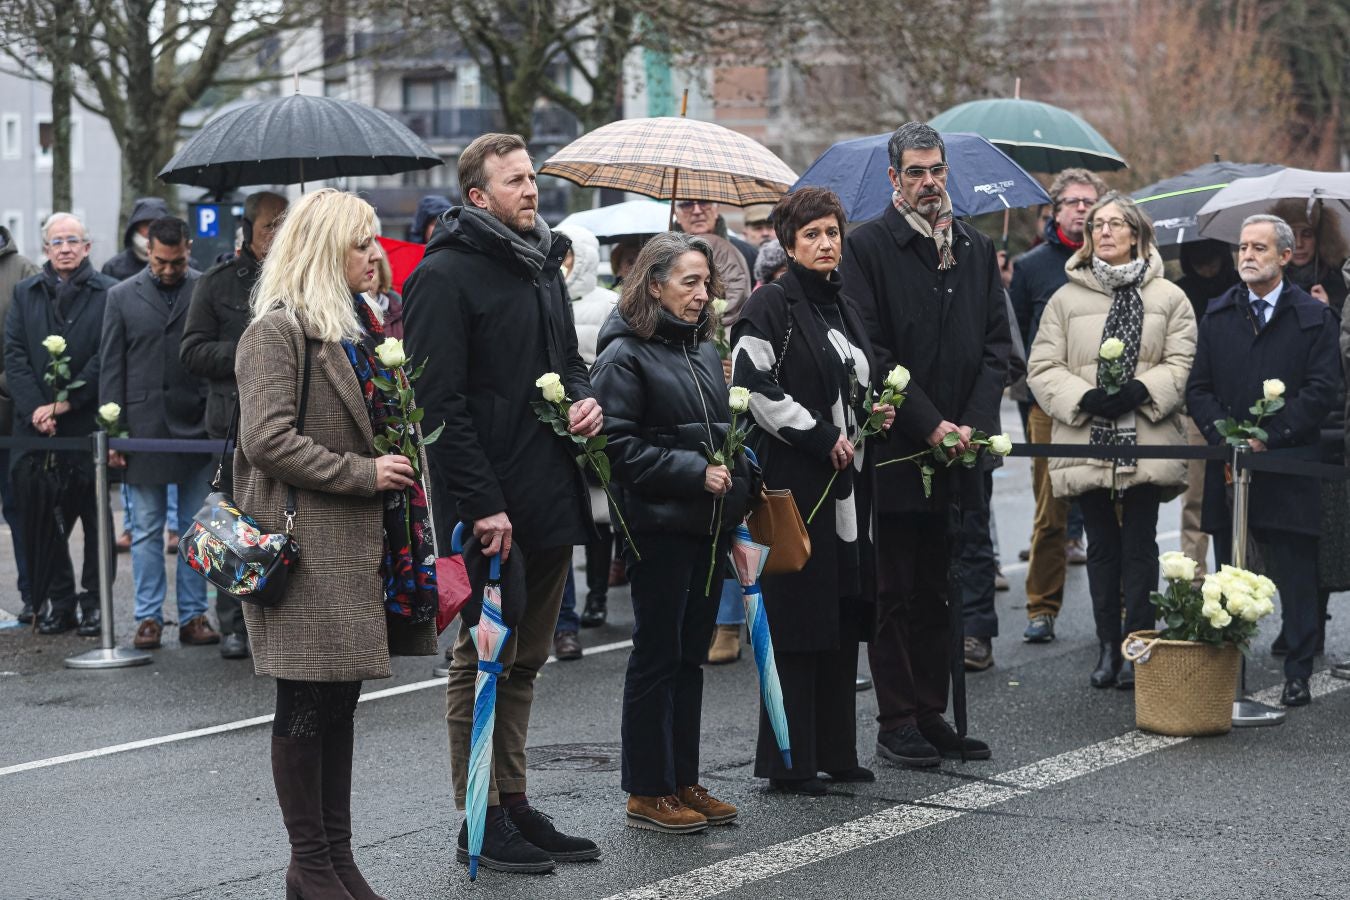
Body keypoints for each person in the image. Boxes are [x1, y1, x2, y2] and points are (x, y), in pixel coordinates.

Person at [402, 133, 601, 875]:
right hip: (488, 507)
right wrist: (482, 503)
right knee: (481, 658)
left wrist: (585, 402)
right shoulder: (443, 275)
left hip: (547, 492)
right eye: (515, 181)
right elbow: (437, 404)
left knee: (525, 658)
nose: (531, 190)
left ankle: (513, 800)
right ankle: (478, 814)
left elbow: (569, 366)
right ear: (478, 196)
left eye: (532, 178)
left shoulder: (542, 263)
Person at [233, 188, 436, 899]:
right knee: (306, 703)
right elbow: (266, 439)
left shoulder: (353, 330)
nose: (375, 255)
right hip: (304, 545)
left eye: (376, 240)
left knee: (339, 703)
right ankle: (310, 864)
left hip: (352, 546)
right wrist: (363, 472)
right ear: (324, 250)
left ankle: (335, 861)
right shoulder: (277, 330)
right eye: (361, 242)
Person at [842, 122, 1009, 767]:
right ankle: (897, 719)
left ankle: (933, 710)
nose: (929, 182)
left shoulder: (971, 244)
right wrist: (929, 422)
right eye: (915, 172)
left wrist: (969, 422)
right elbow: (871, 349)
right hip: (899, 449)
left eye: (936, 169)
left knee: (944, 584)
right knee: (895, 588)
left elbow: (996, 346)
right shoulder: (869, 248)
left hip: (958, 448)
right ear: (894, 179)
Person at [591, 231, 754, 831]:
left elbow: (723, 436)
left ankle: (684, 778)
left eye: (705, 283)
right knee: (657, 658)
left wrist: (739, 490)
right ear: (652, 285)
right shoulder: (624, 355)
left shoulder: (704, 349)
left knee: (690, 658)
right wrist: (695, 474)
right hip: (656, 529)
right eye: (689, 282)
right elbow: (615, 450)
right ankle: (647, 788)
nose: (701, 294)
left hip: (707, 527)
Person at [731, 187, 891, 794]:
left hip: (850, 487)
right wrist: (820, 434)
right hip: (800, 485)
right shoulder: (771, 304)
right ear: (787, 243)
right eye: (812, 236)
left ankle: (836, 750)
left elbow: (854, 380)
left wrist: (874, 414)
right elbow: (753, 388)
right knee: (798, 621)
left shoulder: (843, 304)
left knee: (841, 615)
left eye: (832, 233)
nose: (826, 245)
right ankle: (790, 761)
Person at [1028, 193, 1195, 689]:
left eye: (1115, 224)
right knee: (1101, 546)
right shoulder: (1065, 298)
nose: (1103, 231)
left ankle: (1138, 643)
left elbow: (1181, 360)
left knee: (1140, 544)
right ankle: (1107, 648)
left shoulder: (1169, 296)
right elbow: (1043, 366)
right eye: (1097, 224)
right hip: (1087, 433)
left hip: (1146, 430)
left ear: (1137, 234)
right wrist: (1086, 397)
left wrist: (1144, 390)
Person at [1187, 214, 1340, 708]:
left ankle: (1298, 671)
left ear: (1285, 257)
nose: (1246, 256)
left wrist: (1270, 437)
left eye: (1258, 248)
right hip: (1230, 461)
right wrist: (1225, 435)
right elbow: (1200, 389)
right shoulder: (1218, 312)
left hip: (1291, 461)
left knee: (1296, 571)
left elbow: (1322, 391)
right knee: (1230, 572)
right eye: (1242, 248)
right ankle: (1230, 671)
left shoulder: (1313, 317)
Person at [100, 216, 220, 650]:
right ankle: (148, 618)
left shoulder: (205, 287)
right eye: (159, 261)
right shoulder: (119, 296)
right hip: (142, 430)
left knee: (195, 529)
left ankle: (193, 616)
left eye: (176, 261)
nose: (168, 269)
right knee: (147, 530)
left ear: (189, 249)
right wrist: (111, 433)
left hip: (197, 427)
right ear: (147, 251)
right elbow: (112, 368)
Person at [180, 189, 288, 660]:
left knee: (285, 518)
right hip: (232, 422)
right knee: (233, 525)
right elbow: (192, 352)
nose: (277, 234)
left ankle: (282, 612)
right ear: (247, 229)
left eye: (285, 225)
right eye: (269, 226)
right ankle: (234, 624)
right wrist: (249, 349)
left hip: (289, 420)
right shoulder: (217, 282)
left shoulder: (299, 276)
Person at [4, 213, 116, 635]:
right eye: (57, 242)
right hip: (35, 428)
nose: (65, 248)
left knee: (94, 518)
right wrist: (38, 407)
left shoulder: (108, 293)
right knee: (43, 518)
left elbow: (105, 355)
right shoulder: (26, 292)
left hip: (85, 423)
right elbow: (13, 353)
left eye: (73, 240)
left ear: (87, 247)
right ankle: (60, 601)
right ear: (45, 250)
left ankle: (94, 603)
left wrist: (65, 404)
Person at [1009, 168, 1106, 643]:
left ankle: (1117, 613)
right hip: (1047, 407)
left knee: (1113, 506)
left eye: (1089, 201)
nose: (1082, 208)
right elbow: (1018, 336)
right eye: (1073, 201)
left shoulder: (1109, 263)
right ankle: (1041, 609)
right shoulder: (1031, 267)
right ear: (1055, 209)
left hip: (1103, 405)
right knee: (1052, 513)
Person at [556, 222, 620, 637]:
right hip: (558, 419)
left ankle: (597, 595)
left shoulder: (608, 303)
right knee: (564, 514)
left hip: (596, 416)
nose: (564, 264)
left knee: (600, 517)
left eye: (570, 256)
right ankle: (567, 611)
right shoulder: (544, 296)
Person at [1173, 239, 1240, 577]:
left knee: (1244, 503)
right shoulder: (1179, 293)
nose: (1206, 262)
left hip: (1243, 406)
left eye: (1211, 253)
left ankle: (1241, 580)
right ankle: (1193, 581)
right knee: (1195, 500)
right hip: (1197, 406)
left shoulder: (1243, 287)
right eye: (1197, 255)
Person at [0, 222, 39, 623]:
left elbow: (34, 349)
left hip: (12, 418)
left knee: (19, 508)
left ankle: (33, 595)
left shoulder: (23, 271)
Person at [672, 200, 752, 313]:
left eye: (704, 203)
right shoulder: (663, 257)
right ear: (676, 213)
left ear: (716, 209)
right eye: (687, 205)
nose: (697, 211)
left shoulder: (746, 252)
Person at [1272, 198, 1349, 313]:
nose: (1298, 244)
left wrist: (1329, 309)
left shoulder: (1342, 278)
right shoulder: (1268, 280)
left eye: (1306, 234)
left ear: (1320, 237)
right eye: (1291, 235)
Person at [101, 197, 171, 282]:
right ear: (136, 226)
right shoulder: (113, 267)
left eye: (157, 224)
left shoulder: (181, 265)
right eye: (146, 224)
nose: (152, 229)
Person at [362, 249, 404, 340]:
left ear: (381, 276)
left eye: (371, 272)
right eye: (360, 270)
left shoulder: (401, 313)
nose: (365, 278)